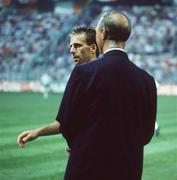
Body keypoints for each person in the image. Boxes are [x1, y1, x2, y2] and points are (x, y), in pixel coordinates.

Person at [18, 12, 157, 180]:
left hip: (88, 167)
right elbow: (146, 134)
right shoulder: (147, 80)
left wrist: (76, 144)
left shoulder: (84, 72)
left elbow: (67, 123)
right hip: (129, 170)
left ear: (103, 33)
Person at [17, 26, 98, 146]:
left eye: (77, 45)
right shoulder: (109, 74)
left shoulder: (80, 74)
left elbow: (65, 123)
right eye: (71, 46)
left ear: (93, 48)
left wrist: (37, 132)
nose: (71, 50)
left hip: (87, 156)